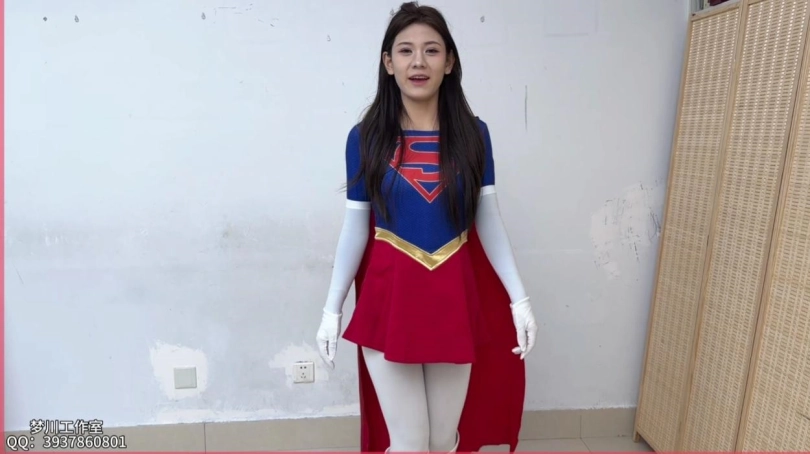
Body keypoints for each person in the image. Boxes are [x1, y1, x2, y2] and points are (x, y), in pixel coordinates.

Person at [316, 2, 538, 452]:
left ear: (449, 61)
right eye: (406, 50)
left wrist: (520, 299)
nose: (418, 62)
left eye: (431, 50)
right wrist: (331, 310)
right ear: (388, 62)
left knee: (441, 440)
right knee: (410, 442)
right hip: (390, 301)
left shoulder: (475, 135)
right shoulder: (365, 138)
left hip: (452, 299)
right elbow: (355, 227)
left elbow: (487, 218)